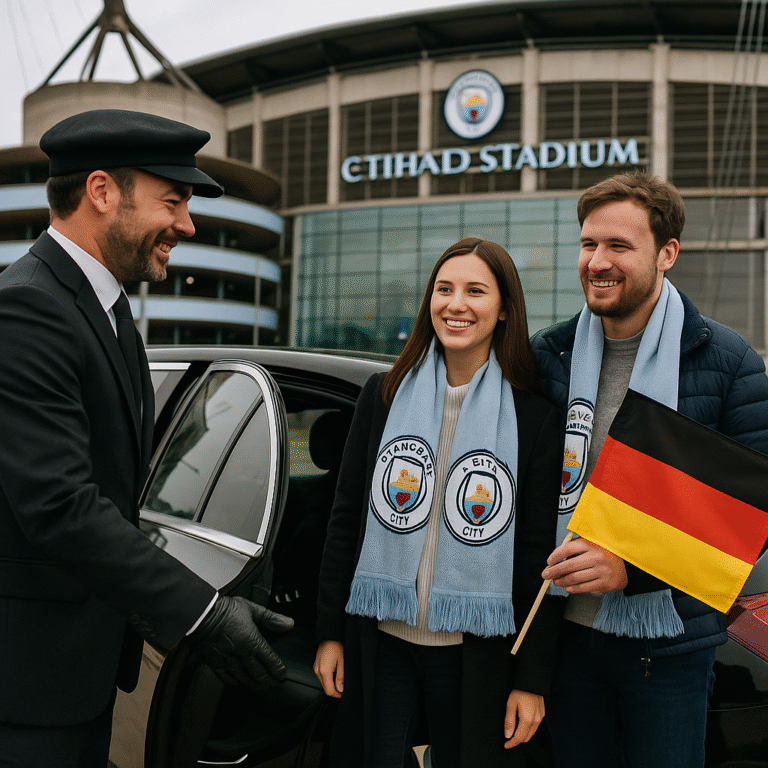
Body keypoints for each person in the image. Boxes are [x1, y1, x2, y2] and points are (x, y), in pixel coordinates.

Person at [0, 109, 292, 768]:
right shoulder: (26, 309)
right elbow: (60, 507)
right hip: (27, 689)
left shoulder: (111, 315)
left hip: (79, 677)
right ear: (102, 192)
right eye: (173, 200)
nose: (187, 225)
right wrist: (204, 613)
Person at [531, 171, 768, 768]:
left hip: (669, 652)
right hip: (567, 641)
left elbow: (753, 516)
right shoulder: (548, 356)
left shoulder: (727, 361)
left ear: (667, 254)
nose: (597, 262)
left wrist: (631, 569)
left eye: (618, 246)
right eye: (588, 244)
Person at [314, 237, 563, 768]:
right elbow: (345, 522)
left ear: (503, 311)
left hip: (476, 654)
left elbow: (543, 559)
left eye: (476, 290)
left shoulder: (534, 418)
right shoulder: (382, 397)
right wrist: (330, 634)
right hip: (381, 642)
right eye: (444, 289)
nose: (457, 304)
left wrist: (531, 680)